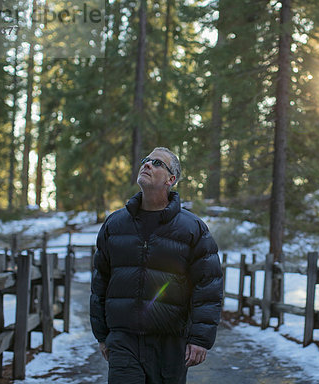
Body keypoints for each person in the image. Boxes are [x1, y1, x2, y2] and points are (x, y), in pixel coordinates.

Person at [90, 147, 223, 384]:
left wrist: (200, 339)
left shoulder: (192, 229)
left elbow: (208, 286)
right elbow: (100, 281)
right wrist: (102, 335)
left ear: (171, 179)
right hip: (123, 341)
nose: (148, 165)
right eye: (146, 160)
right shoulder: (115, 224)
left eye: (157, 163)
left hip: (170, 345)